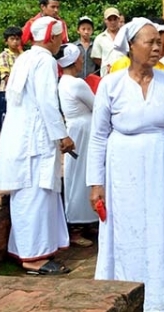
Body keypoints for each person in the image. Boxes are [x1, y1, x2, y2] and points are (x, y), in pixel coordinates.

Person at [87, 18, 164, 311]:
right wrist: (96, 183)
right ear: (130, 47)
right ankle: (128, 291)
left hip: (163, 165)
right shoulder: (111, 84)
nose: (156, 47)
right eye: (149, 42)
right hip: (123, 169)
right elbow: (98, 136)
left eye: (158, 41)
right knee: (128, 227)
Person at [0, 16, 75, 275]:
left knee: (28, 197)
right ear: (51, 37)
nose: (62, 41)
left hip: (22, 138)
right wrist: (62, 135)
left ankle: (27, 250)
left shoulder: (25, 58)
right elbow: (47, 101)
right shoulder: (45, 61)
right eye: (60, 36)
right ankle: (33, 258)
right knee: (35, 197)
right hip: (35, 141)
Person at [57, 43, 97, 247]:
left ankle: (86, 220)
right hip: (83, 131)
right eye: (80, 57)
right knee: (83, 176)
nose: (83, 60)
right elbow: (96, 105)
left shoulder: (63, 82)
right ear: (74, 61)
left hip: (76, 129)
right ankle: (76, 225)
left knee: (79, 176)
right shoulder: (77, 84)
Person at [0, 26, 23, 127]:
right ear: (6, 41)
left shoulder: (24, 55)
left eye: (17, 39)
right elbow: (5, 76)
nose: (15, 42)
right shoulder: (4, 55)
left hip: (22, 92)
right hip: (7, 91)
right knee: (6, 120)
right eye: (12, 39)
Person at [91, 7, 124, 77]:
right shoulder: (99, 38)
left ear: (118, 20)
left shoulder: (126, 36)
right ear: (105, 20)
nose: (112, 22)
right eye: (110, 19)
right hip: (106, 75)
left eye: (115, 19)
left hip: (124, 74)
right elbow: (96, 58)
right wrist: (105, 64)